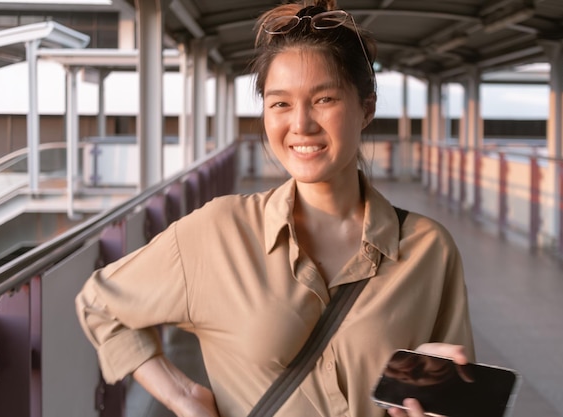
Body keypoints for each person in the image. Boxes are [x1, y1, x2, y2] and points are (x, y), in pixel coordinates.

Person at [75, 1, 475, 416]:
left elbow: (459, 399)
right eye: (280, 103)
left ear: (366, 109)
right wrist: (183, 397)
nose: (301, 124)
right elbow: (100, 304)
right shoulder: (218, 232)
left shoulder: (429, 251)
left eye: (324, 99)